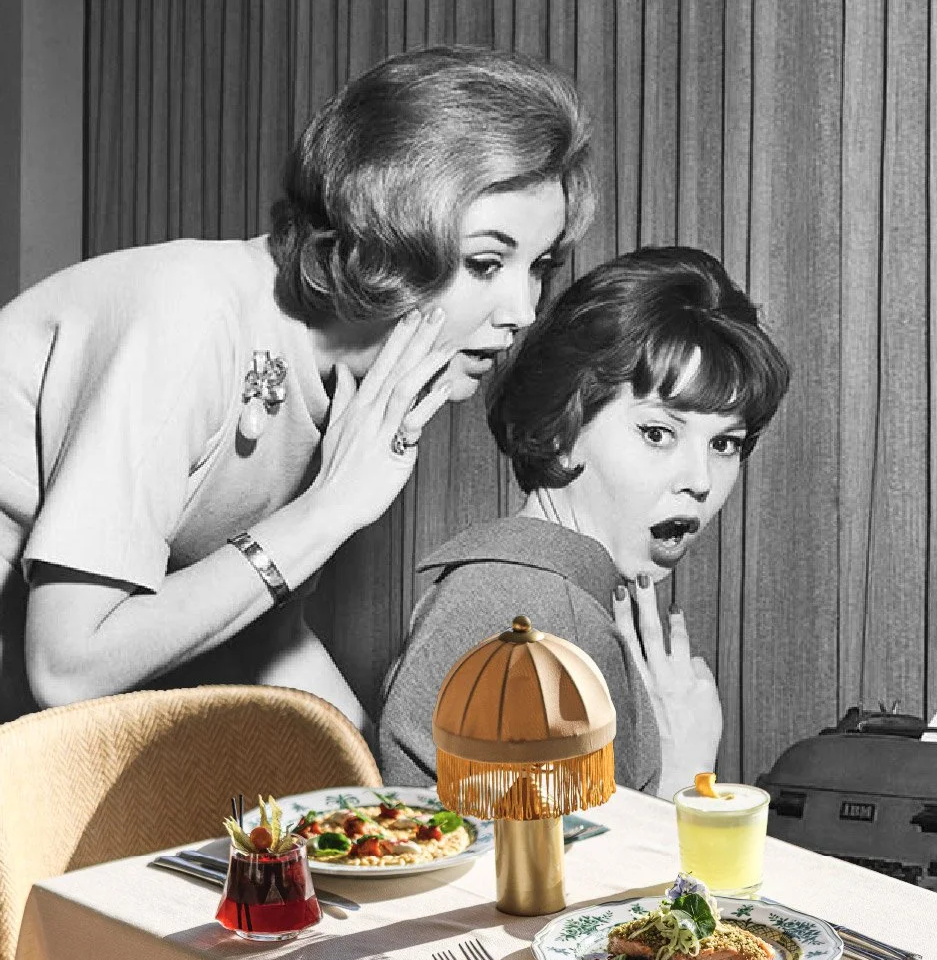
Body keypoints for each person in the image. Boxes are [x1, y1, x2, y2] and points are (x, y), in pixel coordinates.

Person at [0, 45, 593, 732]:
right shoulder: (192, 315)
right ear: (389, 230)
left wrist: (396, 797)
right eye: (487, 262)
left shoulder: (354, 388)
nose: (522, 311)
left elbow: (262, 630)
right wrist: (327, 510)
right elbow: (67, 668)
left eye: (539, 265)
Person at [378, 245, 791, 797]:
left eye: (725, 443)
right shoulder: (523, 614)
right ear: (561, 429)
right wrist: (680, 776)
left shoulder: (566, 599)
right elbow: (526, 881)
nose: (701, 479)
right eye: (657, 433)